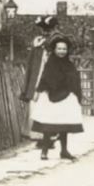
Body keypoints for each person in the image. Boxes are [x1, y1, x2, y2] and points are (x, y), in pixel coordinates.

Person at [30, 34, 84, 160]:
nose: (62, 51)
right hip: (50, 96)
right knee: (49, 124)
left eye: (64, 49)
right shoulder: (50, 63)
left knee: (64, 124)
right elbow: (44, 78)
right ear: (54, 49)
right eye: (59, 49)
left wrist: (75, 93)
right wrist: (39, 91)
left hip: (66, 97)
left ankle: (64, 151)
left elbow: (75, 79)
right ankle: (44, 151)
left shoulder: (69, 65)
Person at [20, 15, 58, 146]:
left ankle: (50, 139)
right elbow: (31, 65)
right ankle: (40, 138)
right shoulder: (37, 44)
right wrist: (28, 86)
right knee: (36, 109)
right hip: (37, 82)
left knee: (50, 109)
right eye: (44, 30)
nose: (46, 33)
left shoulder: (57, 44)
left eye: (49, 30)